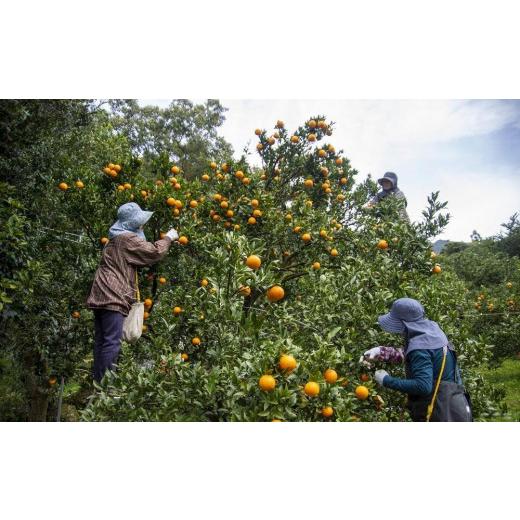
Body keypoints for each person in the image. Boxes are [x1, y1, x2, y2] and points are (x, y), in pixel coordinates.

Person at [86, 202, 178, 382]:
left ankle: (98, 382)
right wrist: (168, 238)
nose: (142, 225)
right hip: (113, 294)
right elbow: (153, 252)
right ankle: (104, 386)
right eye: (139, 222)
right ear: (131, 223)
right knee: (112, 341)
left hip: (100, 293)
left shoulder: (114, 239)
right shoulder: (126, 239)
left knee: (102, 340)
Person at [361, 297, 472, 421]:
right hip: (455, 406)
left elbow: (423, 386)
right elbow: (421, 356)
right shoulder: (433, 333)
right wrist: (382, 352)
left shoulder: (420, 348)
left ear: (404, 323)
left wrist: (386, 380)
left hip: (439, 413)